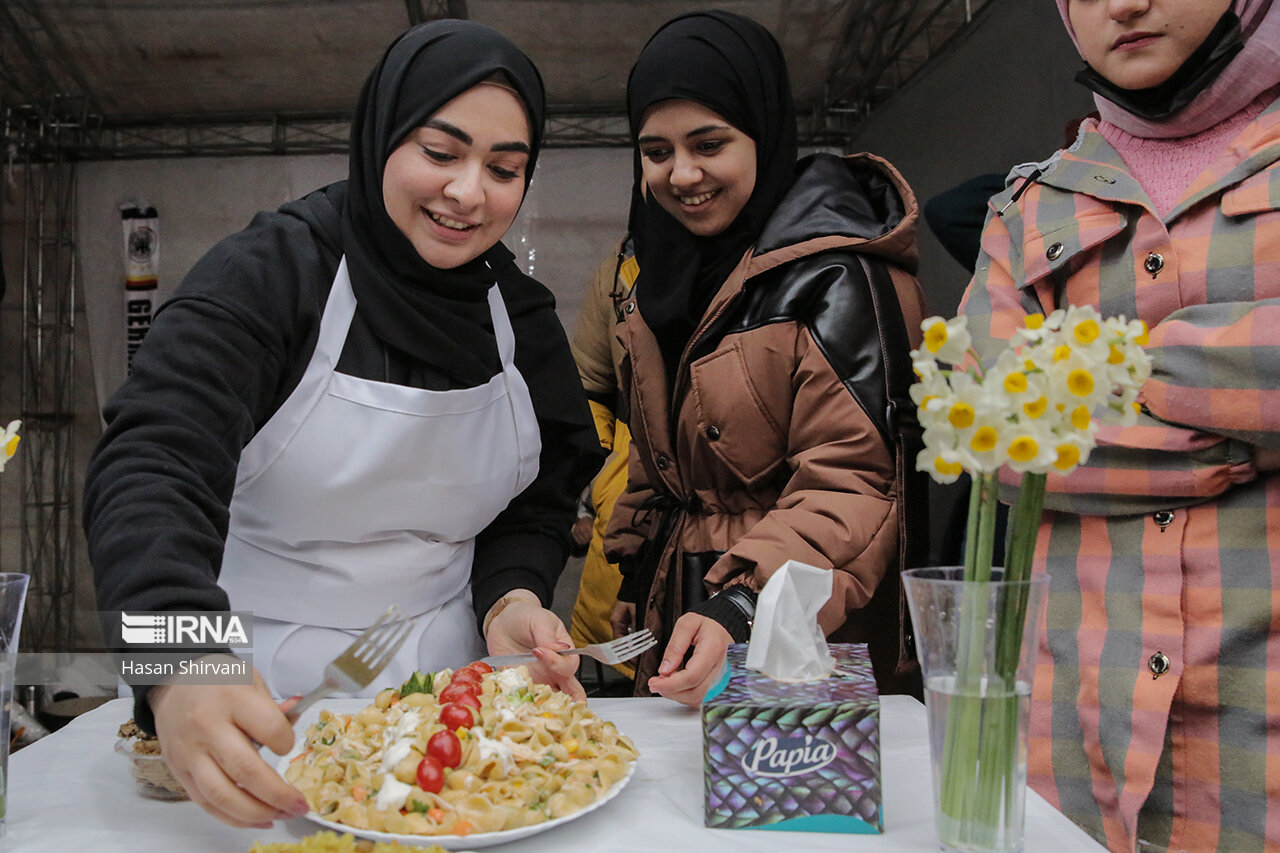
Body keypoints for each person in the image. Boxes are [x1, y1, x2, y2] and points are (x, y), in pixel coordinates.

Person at [85, 20, 600, 829]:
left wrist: (511, 597)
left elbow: (535, 498)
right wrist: (177, 660)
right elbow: (148, 462)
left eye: (505, 169)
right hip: (245, 698)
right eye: (440, 152)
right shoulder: (275, 273)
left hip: (442, 707)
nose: (470, 192)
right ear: (382, 137)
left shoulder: (518, 318)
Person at [959, 1, 1280, 850]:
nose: (1125, 4)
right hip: (1076, 747)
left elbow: (1024, 407)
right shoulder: (1029, 207)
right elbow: (987, 427)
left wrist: (1078, 370)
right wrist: (1239, 419)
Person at [603, 10, 929, 705]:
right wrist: (638, 576)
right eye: (655, 152)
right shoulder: (657, 271)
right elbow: (659, 459)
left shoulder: (839, 275)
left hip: (801, 635)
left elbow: (858, 485)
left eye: (709, 143)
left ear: (765, 132)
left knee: (777, 807)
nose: (681, 173)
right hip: (685, 626)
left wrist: (744, 604)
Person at [567, 235, 639, 680]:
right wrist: (589, 493)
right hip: (621, 534)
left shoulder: (788, 261)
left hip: (745, 548)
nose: (682, 174)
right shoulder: (620, 271)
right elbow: (589, 390)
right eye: (658, 158)